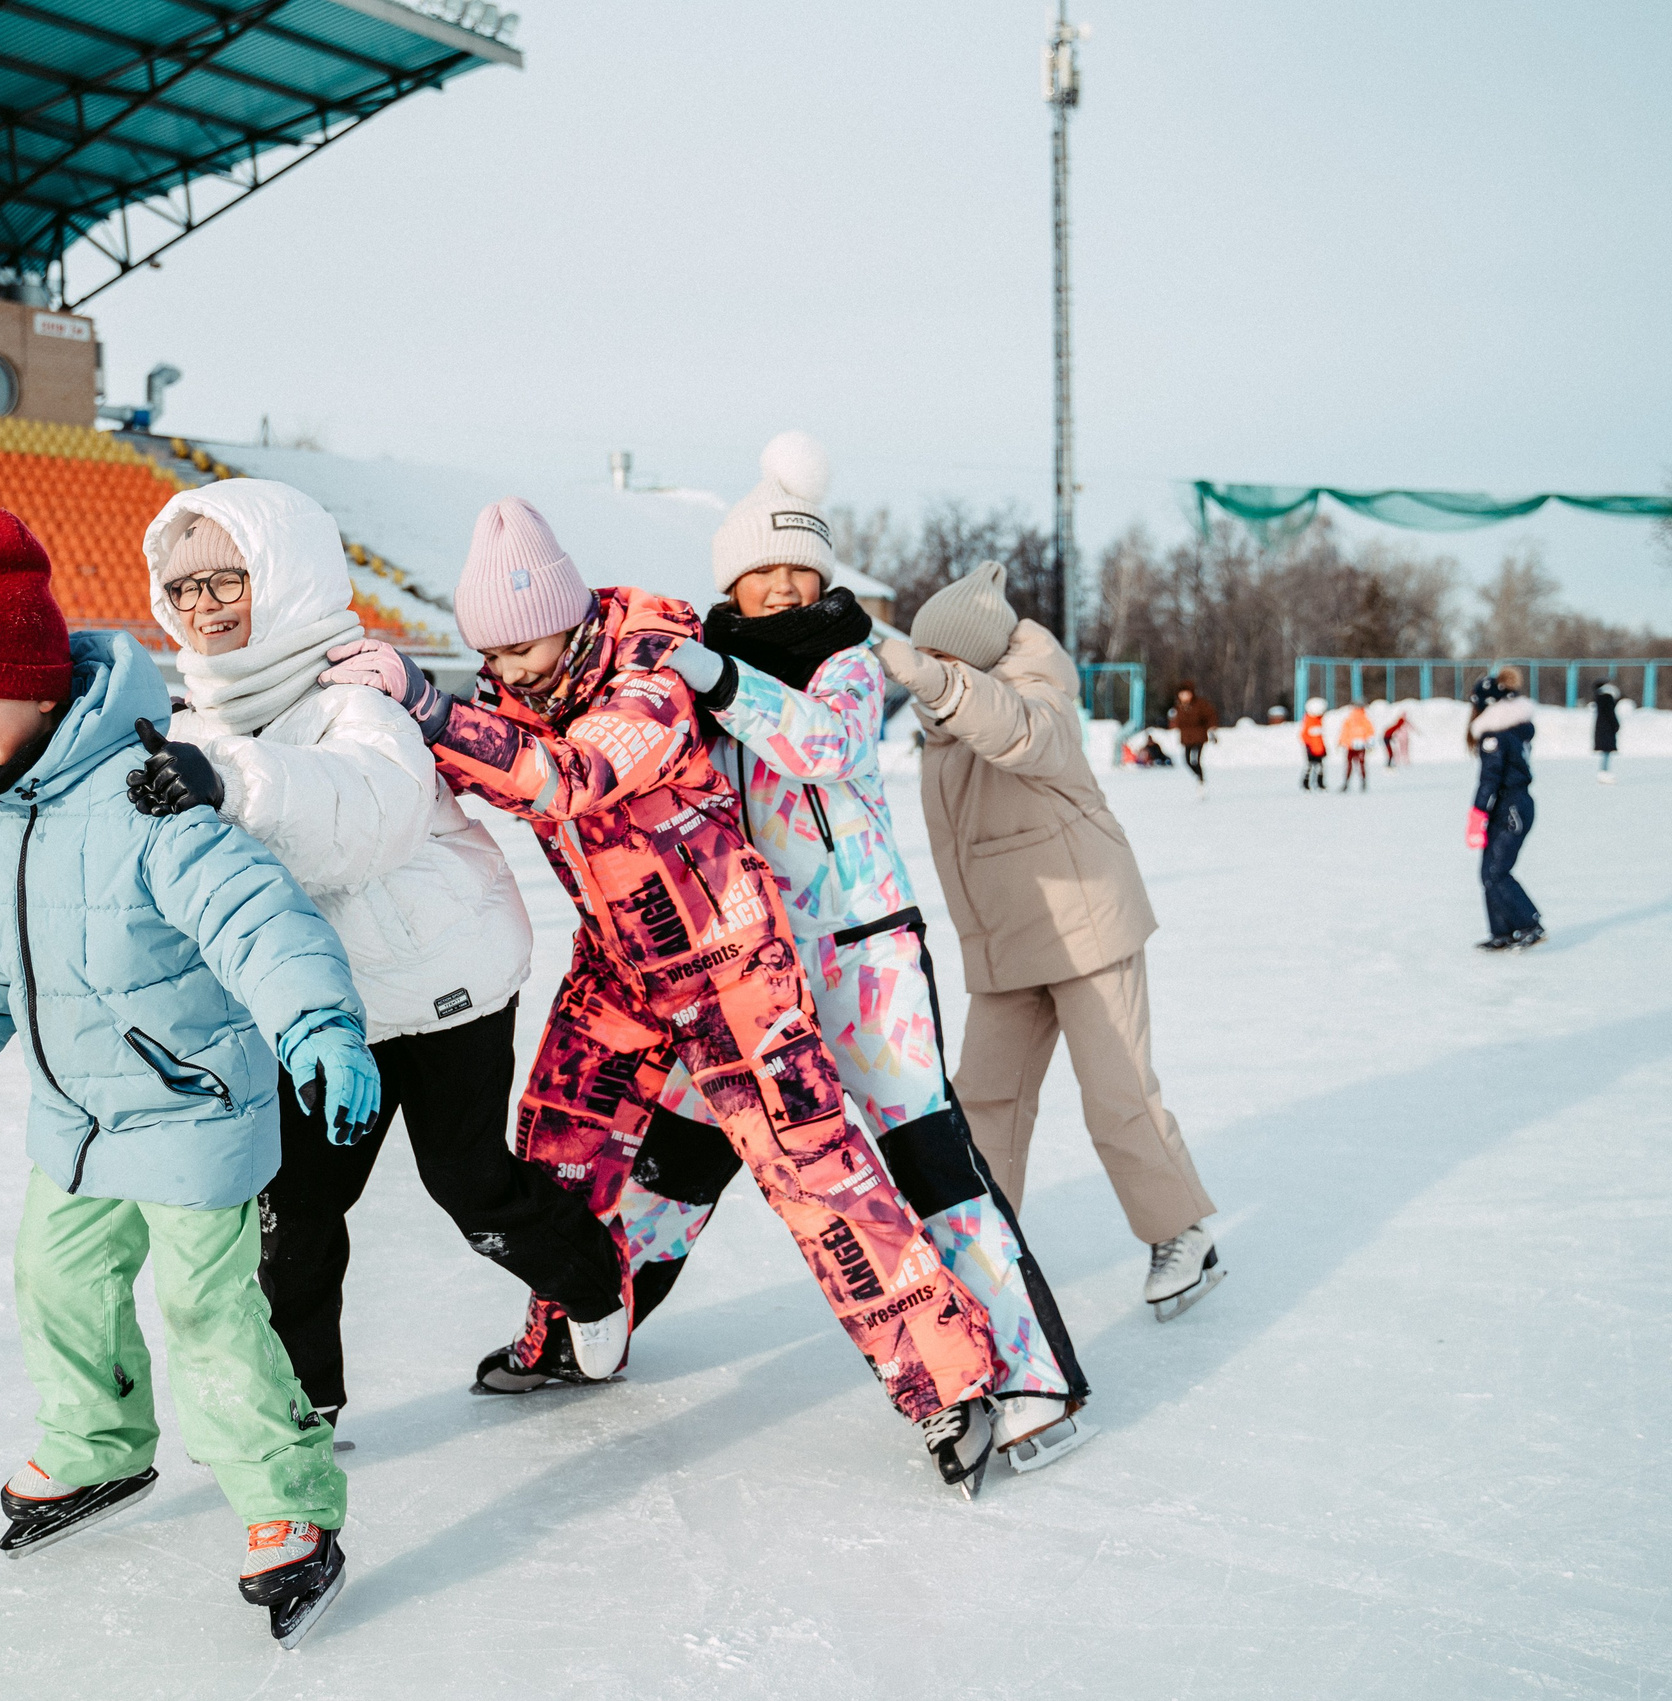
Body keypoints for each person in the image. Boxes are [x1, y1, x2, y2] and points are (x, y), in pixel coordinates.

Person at [329, 498, 1009, 1494]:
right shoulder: (512, 686)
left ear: (566, 617)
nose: (510, 670)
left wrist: (430, 708)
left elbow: (572, 775)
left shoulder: (651, 668)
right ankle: (570, 1331)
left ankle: (949, 1384)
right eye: (494, 652)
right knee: (555, 1152)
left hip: (731, 966)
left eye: (526, 645)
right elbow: (443, 761)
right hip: (616, 965)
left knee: (811, 1171)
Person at [0, 509, 369, 1646]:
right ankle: (103, 1445)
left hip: (192, 1111)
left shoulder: (148, 798)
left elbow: (259, 918)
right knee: (53, 1283)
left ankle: (289, 1508)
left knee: (208, 1314)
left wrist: (318, 1025)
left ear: (35, 690)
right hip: (79, 1123)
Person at [596, 431, 1091, 1474]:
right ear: (731, 578)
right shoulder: (705, 676)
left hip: (863, 956)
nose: (780, 588)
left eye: (798, 570)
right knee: (679, 1149)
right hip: (743, 968)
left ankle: (1032, 1369)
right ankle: (593, 1318)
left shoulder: (851, 662)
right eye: (759, 571)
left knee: (924, 1159)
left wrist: (715, 678)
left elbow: (823, 749)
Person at [131, 478, 624, 1432]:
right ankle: (306, 1396)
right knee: (298, 1205)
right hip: (322, 1009)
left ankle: (594, 1285)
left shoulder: (357, 691)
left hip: (442, 983)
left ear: (280, 576)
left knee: (469, 1186)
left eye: (225, 581)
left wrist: (229, 781)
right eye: (184, 591)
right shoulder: (199, 722)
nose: (204, 608)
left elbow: (359, 816)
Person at [874, 561, 1224, 1323]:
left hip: (1087, 927)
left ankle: (1181, 1232)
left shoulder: (1041, 700)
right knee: (984, 1103)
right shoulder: (944, 725)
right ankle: (977, 1248)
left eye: (945, 663)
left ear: (975, 661)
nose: (931, 676)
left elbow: (1017, 731)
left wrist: (930, 678)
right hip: (1005, 944)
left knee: (1118, 1097)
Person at [1468, 669, 1542, 950]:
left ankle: (1529, 923)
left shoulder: (1496, 735)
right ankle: (1502, 931)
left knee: (1497, 871)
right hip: (1509, 805)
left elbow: (1490, 778)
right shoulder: (1511, 729)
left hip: (1511, 806)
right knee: (1488, 872)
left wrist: (1477, 814)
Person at [1169, 680, 1218, 793]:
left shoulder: (1200, 704)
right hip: (1187, 738)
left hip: (1199, 736)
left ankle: (1201, 779)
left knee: (1196, 759)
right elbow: (1178, 722)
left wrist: (1212, 728)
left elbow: (1211, 716)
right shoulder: (1179, 708)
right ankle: (1199, 777)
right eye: (1181, 695)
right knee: (1187, 760)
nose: (1183, 697)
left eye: (1186, 694)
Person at [1339, 700, 1374, 792]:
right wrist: (1370, 743)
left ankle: (1346, 783)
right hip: (1360, 746)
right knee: (1361, 765)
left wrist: (1342, 742)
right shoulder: (1364, 719)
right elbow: (1370, 732)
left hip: (1351, 746)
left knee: (1349, 765)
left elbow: (1344, 732)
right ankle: (1363, 783)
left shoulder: (1350, 719)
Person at [1592, 679, 1621, 784]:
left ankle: (1604, 772)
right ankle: (1604, 772)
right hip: (1607, 730)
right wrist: (1616, 725)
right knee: (1606, 752)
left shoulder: (1599, 698)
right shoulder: (1607, 699)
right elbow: (1610, 715)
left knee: (1606, 752)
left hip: (1602, 729)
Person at [1299, 696, 1329, 791]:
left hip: (1318, 749)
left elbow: (1319, 739)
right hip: (1312, 749)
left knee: (1319, 766)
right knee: (1310, 765)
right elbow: (1305, 736)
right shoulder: (1310, 721)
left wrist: (1323, 749)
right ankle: (1306, 782)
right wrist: (1310, 747)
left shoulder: (1317, 721)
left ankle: (1319, 783)